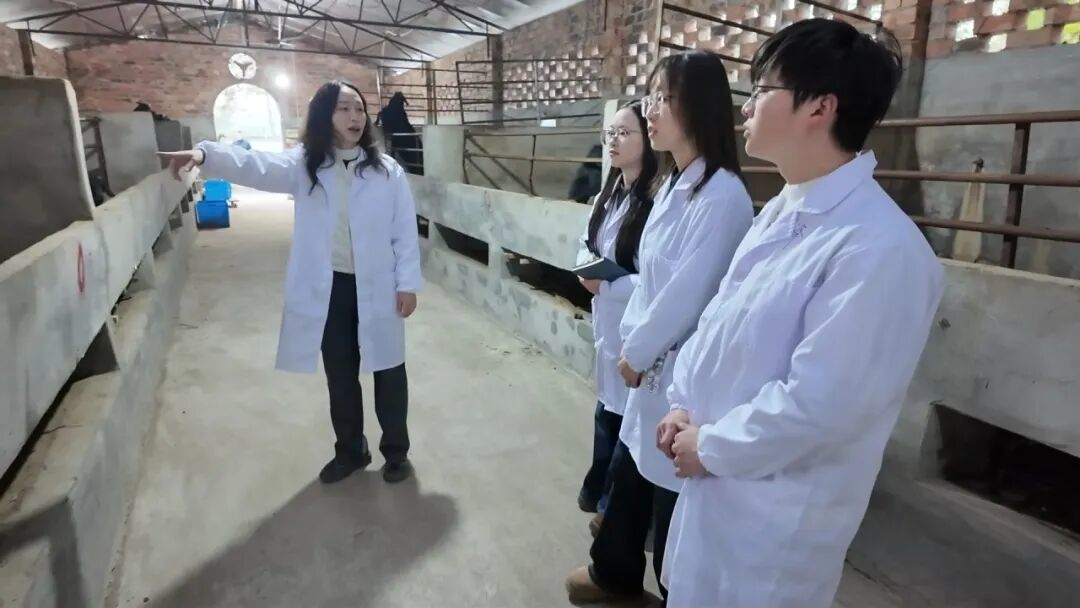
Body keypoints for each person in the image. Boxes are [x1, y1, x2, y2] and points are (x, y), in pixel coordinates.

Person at [655, 20, 944, 608]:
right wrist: (684, 401)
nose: (746, 107)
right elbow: (722, 322)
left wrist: (712, 446)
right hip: (717, 492)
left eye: (763, 90)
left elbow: (822, 405)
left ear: (820, 107)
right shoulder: (785, 208)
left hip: (773, 526)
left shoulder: (879, 248)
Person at [160, 80, 422, 485]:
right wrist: (205, 154)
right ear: (324, 116)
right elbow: (256, 165)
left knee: (389, 370)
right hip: (331, 289)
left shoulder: (387, 171)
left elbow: (403, 231)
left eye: (359, 109)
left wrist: (407, 284)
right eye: (343, 108)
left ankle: (397, 453)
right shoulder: (305, 166)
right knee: (340, 374)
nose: (354, 117)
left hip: (380, 286)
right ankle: (350, 450)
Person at [566, 50, 753, 605]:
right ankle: (614, 573)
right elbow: (651, 281)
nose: (651, 110)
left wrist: (636, 352)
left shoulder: (724, 197)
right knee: (631, 472)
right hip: (647, 367)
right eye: (651, 97)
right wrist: (632, 346)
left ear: (700, 107)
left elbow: (687, 295)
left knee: (671, 497)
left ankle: (674, 592)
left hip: (675, 373)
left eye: (665, 99)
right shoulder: (674, 184)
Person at [575, 101, 660, 532]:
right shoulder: (608, 195)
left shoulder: (657, 202)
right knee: (606, 409)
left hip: (634, 325)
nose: (613, 140)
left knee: (628, 419)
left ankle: (612, 506)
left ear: (648, 141)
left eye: (624, 133)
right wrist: (586, 271)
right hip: (606, 320)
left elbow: (656, 280)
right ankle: (597, 487)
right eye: (610, 132)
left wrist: (606, 285)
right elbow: (585, 244)